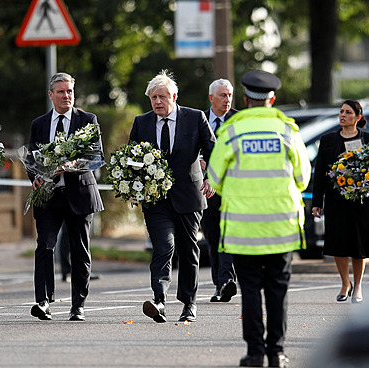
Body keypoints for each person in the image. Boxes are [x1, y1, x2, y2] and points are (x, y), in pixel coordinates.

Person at [208, 70, 311, 368]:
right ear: (273, 99)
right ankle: (276, 352)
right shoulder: (287, 130)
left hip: (242, 229)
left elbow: (214, 178)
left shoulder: (231, 130)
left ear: (244, 100)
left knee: (250, 290)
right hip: (280, 227)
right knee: (277, 289)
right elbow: (303, 178)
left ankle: (255, 353)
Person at [129, 70, 216, 323]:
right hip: (155, 199)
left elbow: (214, 152)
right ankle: (159, 300)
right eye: (153, 97)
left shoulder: (195, 118)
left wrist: (211, 177)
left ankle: (189, 303)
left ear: (174, 96)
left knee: (189, 251)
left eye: (162, 97)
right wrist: (133, 184)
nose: (157, 101)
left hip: (189, 195)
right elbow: (131, 158)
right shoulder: (141, 122)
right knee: (163, 246)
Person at [28, 72, 103, 322]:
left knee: (79, 251)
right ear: (51, 95)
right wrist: (35, 177)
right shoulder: (39, 124)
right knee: (44, 246)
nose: (66, 96)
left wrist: (71, 164)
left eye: (69, 91)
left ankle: (77, 306)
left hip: (79, 194)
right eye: (61, 92)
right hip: (49, 196)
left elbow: (95, 157)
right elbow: (31, 160)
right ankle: (43, 301)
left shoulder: (87, 120)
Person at [312, 100, 369, 304]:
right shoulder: (327, 141)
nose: (343, 115)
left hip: (362, 202)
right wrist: (317, 202)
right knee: (338, 244)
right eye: (341, 111)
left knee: (358, 245)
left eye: (348, 112)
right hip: (336, 201)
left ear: (358, 117)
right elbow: (320, 174)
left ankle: (358, 285)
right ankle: (345, 283)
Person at [202, 78, 238, 303]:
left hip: (233, 189)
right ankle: (219, 285)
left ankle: (227, 281)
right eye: (223, 95)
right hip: (206, 190)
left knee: (228, 236)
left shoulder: (239, 120)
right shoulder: (199, 119)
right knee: (213, 238)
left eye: (230, 95)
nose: (227, 100)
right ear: (211, 98)